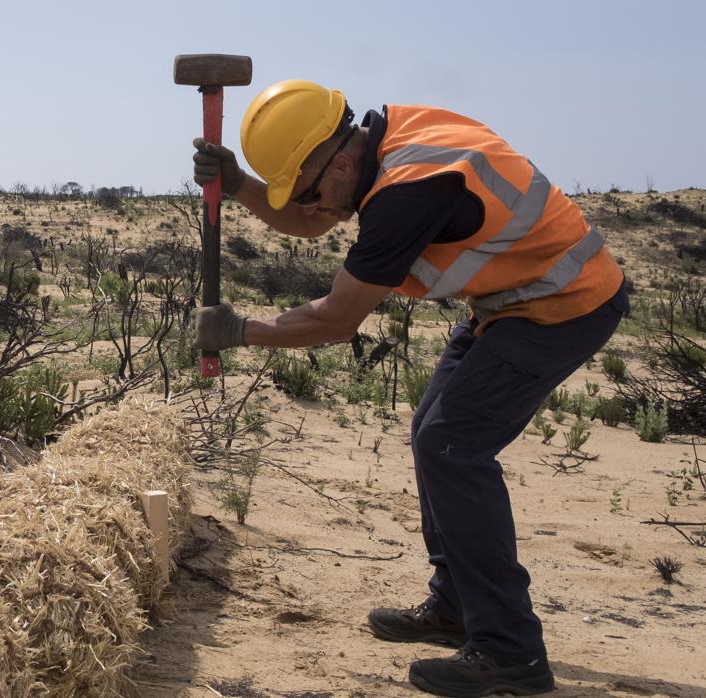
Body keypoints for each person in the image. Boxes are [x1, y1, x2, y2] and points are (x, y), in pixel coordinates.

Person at [190, 79, 627, 697]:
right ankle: (455, 606)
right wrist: (239, 184)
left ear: (341, 160)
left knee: (453, 444)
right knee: (434, 434)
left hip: (565, 304)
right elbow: (316, 220)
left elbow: (337, 320)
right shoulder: (387, 135)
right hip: (511, 302)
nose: (316, 206)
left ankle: (511, 653)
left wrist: (239, 331)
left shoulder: (409, 192)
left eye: (312, 189)